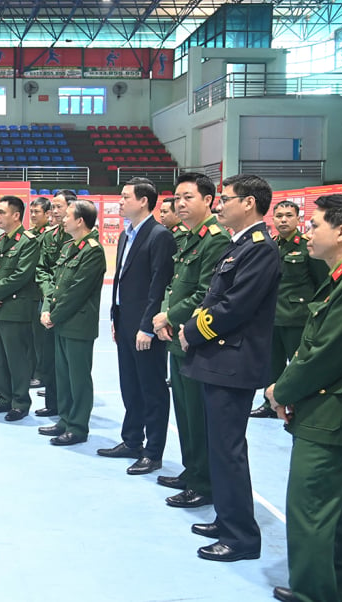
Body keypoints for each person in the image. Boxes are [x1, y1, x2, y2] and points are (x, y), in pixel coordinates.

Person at [263, 194, 342, 602]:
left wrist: (280, 390)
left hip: (333, 414)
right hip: (328, 410)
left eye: (315, 225)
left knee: (310, 510)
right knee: (329, 512)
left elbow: (325, 355)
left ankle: (314, 593)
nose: (309, 233)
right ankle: (332, 590)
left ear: (341, 232)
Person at [179, 174, 280, 562]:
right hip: (219, 360)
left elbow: (233, 307)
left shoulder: (260, 249)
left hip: (233, 361)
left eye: (227, 199)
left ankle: (241, 538)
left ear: (250, 203)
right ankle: (226, 517)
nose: (220, 205)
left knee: (228, 450)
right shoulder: (239, 245)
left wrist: (191, 331)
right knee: (219, 448)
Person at [151, 172, 229, 508]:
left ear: (209, 200)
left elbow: (206, 293)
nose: (180, 204)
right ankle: (191, 470)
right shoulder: (187, 237)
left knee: (198, 416)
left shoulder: (216, 239)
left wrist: (169, 316)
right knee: (184, 413)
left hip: (196, 338)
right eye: (178, 198)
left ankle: (203, 482)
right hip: (175, 337)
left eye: (188, 198)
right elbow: (175, 286)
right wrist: (166, 316)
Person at [100, 178, 176, 474]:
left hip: (146, 326)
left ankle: (153, 451)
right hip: (125, 320)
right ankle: (131, 440)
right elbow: (121, 281)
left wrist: (147, 326)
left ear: (143, 201)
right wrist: (116, 318)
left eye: (125, 196)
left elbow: (159, 285)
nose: (120, 201)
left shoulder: (159, 236)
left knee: (152, 389)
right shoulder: (125, 235)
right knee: (130, 386)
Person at [250, 201, 327, 419]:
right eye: (279, 216)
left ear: (298, 219)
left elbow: (321, 283)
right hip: (271, 317)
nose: (283, 220)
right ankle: (269, 404)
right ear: (272, 219)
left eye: (288, 216)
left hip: (297, 318)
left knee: (297, 365)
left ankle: (299, 404)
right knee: (271, 365)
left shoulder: (306, 246)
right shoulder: (270, 244)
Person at [39, 199, 105, 445]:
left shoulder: (93, 251)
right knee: (64, 376)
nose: (62, 218)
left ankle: (77, 427)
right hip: (62, 322)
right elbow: (56, 284)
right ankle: (65, 420)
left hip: (78, 324)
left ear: (80, 221)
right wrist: (47, 309)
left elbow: (77, 292)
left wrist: (53, 316)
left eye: (67, 215)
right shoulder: (69, 247)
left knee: (78, 379)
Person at [0, 195, 40, 422]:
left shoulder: (28, 241)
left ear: (16, 215)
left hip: (15, 308)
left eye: (1, 212)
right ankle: (4, 398)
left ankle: (20, 402)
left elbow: (21, 275)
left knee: (17, 358)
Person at [33, 188, 77, 418]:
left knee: (68, 361)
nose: (54, 211)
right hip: (48, 303)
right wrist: (49, 296)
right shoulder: (49, 236)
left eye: (59, 206)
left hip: (70, 306)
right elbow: (42, 269)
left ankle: (69, 409)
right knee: (49, 355)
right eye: (53, 206)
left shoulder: (81, 236)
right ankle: (52, 403)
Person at [27, 197, 51, 389]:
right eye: (32, 211)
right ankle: (33, 370)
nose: (33, 215)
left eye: (38, 212)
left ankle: (41, 374)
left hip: (42, 293)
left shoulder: (48, 235)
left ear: (47, 214)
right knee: (32, 337)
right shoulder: (31, 234)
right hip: (30, 292)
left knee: (41, 339)